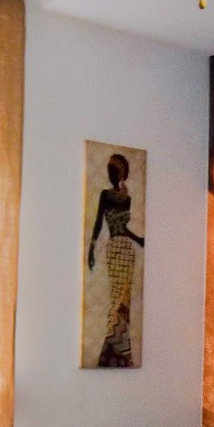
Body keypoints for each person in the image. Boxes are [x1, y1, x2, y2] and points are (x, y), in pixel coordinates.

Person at [87, 153, 144, 366]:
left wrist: (138, 239)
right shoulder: (105, 195)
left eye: (115, 172)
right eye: (110, 171)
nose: (112, 175)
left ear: (122, 175)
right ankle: (110, 350)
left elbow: (124, 229)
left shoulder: (127, 199)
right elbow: (98, 223)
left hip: (127, 249)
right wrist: (91, 249)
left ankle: (122, 353)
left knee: (125, 299)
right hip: (114, 249)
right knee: (116, 298)